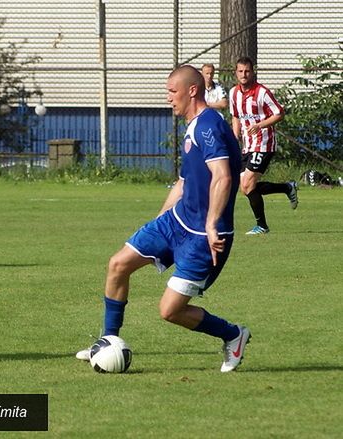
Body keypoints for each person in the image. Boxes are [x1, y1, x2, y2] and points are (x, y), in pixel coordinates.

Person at [76, 65, 250, 373]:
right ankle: (108, 341)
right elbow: (184, 182)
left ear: (191, 90)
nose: (168, 98)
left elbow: (223, 177)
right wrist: (158, 221)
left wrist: (211, 225)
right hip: (176, 223)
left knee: (170, 311)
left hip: (204, 237)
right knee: (118, 264)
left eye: (172, 92)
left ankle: (233, 335)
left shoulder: (208, 125)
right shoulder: (193, 125)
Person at [229, 56, 298, 235]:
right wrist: (234, 137)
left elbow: (279, 113)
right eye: (240, 71)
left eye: (247, 71)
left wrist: (260, 125)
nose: (244, 75)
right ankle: (287, 187)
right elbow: (236, 116)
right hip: (247, 146)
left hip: (264, 143)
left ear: (253, 72)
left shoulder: (262, 93)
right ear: (236, 73)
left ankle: (262, 226)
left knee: (248, 183)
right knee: (245, 188)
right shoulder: (233, 93)